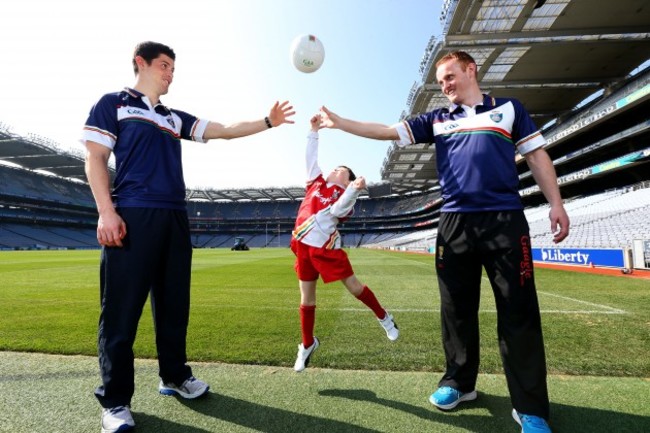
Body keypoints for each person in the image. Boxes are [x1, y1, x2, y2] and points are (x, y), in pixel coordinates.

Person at [318, 51, 569, 433]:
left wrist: (556, 203)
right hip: (454, 224)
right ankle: (459, 383)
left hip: (504, 221)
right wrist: (340, 123)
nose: (445, 86)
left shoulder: (509, 109)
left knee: (518, 312)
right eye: (441, 81)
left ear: (471, 70)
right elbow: (386, 131)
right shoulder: (436, 119)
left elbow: (536, 155)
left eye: (450, 76)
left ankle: (530, 407)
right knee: (456, 310)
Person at [82, 41, 295, 433]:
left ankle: (174, 376)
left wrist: (267, 121)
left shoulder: (172, 116)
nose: (170, 73)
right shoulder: (113, 103)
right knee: (120, 313)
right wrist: (106, 211)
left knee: (174, 305)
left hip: (175, 217)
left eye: (173, 68)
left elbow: (225, 131)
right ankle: (115, 402)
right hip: (132, 213)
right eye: (164, 65)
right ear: (140, 63)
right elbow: (95, 157)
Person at [290, 114, 400, 373]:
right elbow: (310, 157)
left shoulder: (346, 195)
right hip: (302, 246)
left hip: (326, 249)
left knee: (354, 287)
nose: (334, 169)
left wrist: (354, 189)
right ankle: (307, 344)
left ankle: (384, 317)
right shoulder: (316, 183)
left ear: (347, 180)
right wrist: (313, 131)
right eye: (335, 167)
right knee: (306, 298)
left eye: (341, 170)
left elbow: (338, 209)